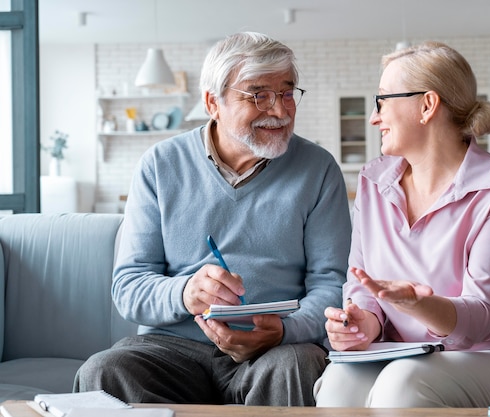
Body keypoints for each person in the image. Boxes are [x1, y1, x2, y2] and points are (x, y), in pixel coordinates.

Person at [74, 32, 351, 406]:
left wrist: (283, 331)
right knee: (104, 371)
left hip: (276, 349)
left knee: (299, 364)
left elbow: (333, 286)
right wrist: (185, 292)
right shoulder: (159, 165)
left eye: (287, 93)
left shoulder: (318, 169)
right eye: (259, 96)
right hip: (172, 347)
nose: (281, 111)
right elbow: (129, 287)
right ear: (212, 103)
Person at [313, 41, 490, 408]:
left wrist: (418, 305)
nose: (375, 117)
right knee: (338, 381)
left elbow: (482, 317)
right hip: (416, 356)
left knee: (403, 384)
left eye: (383, 101)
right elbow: (362, 285)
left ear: (427, 105)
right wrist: (361, 322)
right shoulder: (373, 182)